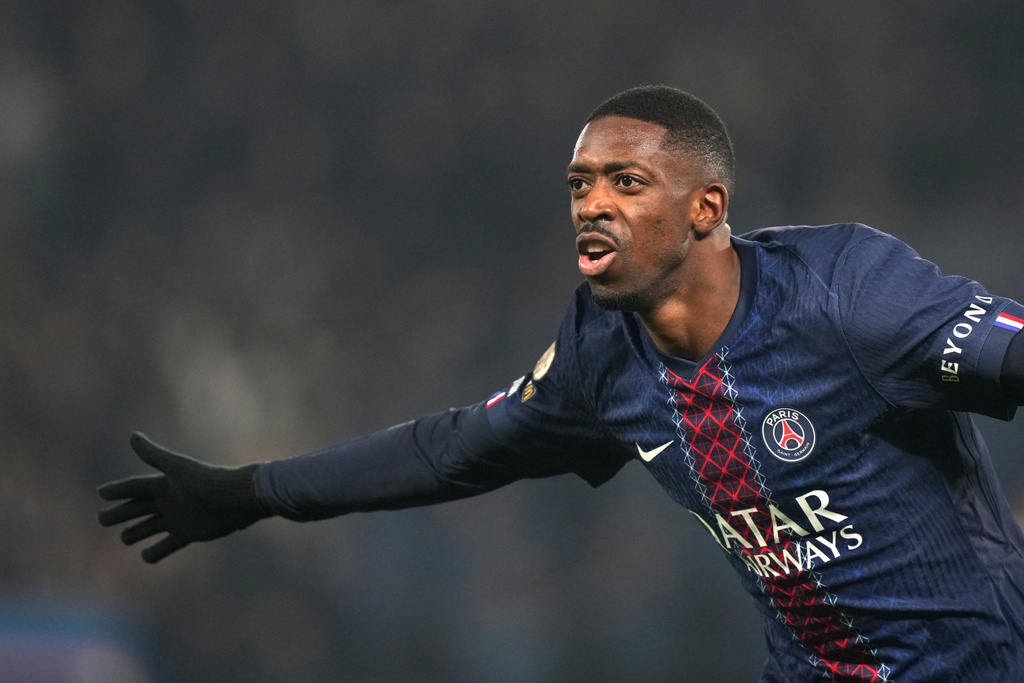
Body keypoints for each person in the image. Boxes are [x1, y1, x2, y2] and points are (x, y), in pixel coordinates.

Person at [98, 85, 1024, 682]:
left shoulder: (845, 294)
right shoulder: (600, 356)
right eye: (580, 184)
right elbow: (452, 450)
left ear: (708, 208)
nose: (593, 204)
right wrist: (255, 490)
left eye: (626, 181)